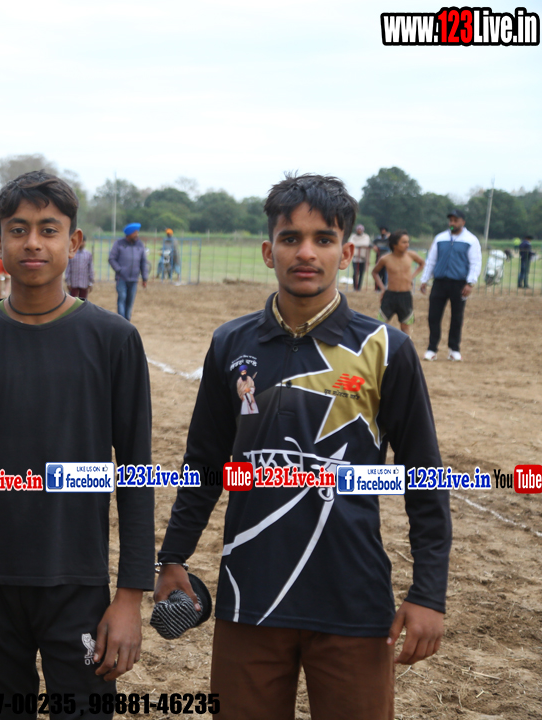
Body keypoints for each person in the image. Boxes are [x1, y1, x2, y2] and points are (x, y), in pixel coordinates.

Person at [155, 173, 450, 720]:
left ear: (347, 252)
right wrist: (173, 556)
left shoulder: (386, 348)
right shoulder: (230, 343)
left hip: (354, 600)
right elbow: (203, 464)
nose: (306, 252)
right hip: (249, 594)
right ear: (269, 251)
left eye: (323, 238)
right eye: (291, 238)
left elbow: (425, 480)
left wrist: (429, 593)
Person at [0, 171, 154, 717]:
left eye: (49, 229)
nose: (33, 243)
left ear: (75, 241)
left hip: (78, 582)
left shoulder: (114, 340)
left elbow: (137, 475)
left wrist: (129, 598)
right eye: (18, 230)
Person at [419, 208, 481, 361]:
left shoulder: (471, 240)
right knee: (433, 316)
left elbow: (475, 263)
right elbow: (431, 260)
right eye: (451, 220)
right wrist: (425, 279)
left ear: (463, 222)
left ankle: (454, 349)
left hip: (459, 284)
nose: (452, 223)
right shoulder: (440, 238)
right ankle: (432, 348)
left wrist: (470, 282)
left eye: (455, 220)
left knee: (457, 317)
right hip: (440, 282)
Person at [372, 231, 424, 334]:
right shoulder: (385, 259)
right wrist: (382, 288)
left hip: (405, 296)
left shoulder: (411, 255)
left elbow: (422, 263)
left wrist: (411, 277)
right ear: (394, 244)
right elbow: (374, 272)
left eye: (408, 242)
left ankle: (405, 344)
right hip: (389, 296)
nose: (407, 245)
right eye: (404, 242)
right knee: (381, 326)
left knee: (405, 327)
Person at [108, 222, 149, 320]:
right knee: (122, 298)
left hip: (134, 279)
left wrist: (144, 278)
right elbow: (112, 259)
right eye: (135, 233)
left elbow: (143, 262)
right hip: (121, 278)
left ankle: (127, 321)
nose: (137, 235)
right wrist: (119, 270)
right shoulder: (119, 244)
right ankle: (121, 321)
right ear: (129, 233)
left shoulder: (140, 245)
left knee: (130, 301)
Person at [65, 233, 94, 298]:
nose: (82, 243)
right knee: (72, 300)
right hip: (73, 283)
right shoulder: (72, 253)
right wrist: (68, 282)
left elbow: (90, 269)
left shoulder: (88, 254)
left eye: (83, 242)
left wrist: (90, 282)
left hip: (84, 283)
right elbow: (68, 268)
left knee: (83, 301)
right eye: (80, 242)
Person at [350, 223, 372, 290]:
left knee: (361, 273)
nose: (359, 231)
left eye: (360, 229)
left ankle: (359, 287)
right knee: (355, 273)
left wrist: (357, 245)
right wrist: (360, 245)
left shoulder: (366, 237)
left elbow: (366, 244)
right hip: (355, 258)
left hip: (363, 258)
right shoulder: (353, 236)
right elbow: (351, 243)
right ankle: (355, 287)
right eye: (358, 229)